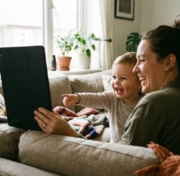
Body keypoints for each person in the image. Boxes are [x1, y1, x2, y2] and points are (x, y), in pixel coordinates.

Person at [34, 16, 180, 154]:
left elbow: (117, 163)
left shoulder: (153, 104)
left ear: (168, 62)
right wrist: (78, 98)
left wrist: (68, 133)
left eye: (141, 60)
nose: (135, 69)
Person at [62, 52, 142, 143]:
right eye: (114, 77)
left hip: (137, 147)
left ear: (140, 83)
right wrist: (77, 98)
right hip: (115, 145)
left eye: (123, 78)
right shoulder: (111, 98)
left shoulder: (146, 102)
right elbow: (95, 98)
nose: (116, 82)